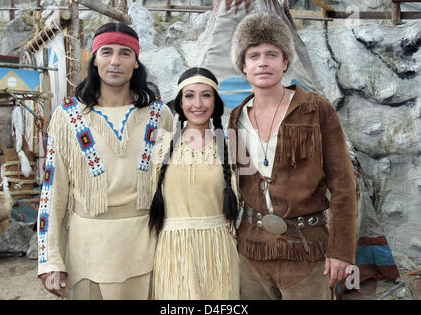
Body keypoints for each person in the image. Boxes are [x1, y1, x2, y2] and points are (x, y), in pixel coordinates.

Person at [37, 23, 173, 300]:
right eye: (106, 52)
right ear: (94, 59)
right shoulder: (67, 116)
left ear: (136, 63)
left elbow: (170, 186)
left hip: (149, 249)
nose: (115, 61)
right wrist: (50, 259)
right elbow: (53, 192)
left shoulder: (160, 114)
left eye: (125, 53)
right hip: (88, 253)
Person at [227, 13, 358, 300]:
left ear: (285, 62)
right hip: (251, 251)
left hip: (306, 249)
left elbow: (344, 185)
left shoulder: (316, 109)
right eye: (254, 55)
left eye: (272, 54)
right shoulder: (236, 118)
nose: (263, 62)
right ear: (244, 67)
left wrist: (341, 251)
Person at [149, 67, 240, 299]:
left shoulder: (232, 144)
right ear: (180, 103)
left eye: (206, 95)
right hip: (173, 253)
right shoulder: (160, 144)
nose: (197, 103)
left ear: (216, 102)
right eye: (189, 95)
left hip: (219, 253)